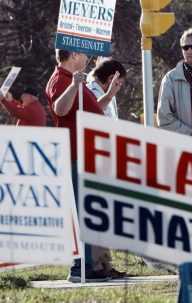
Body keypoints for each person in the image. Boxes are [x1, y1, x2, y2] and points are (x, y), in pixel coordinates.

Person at [45, 49, 124, 282]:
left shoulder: (74, 79)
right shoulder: (62, 79)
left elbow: (92, 109)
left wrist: (108, 95)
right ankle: (81, 267)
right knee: (81, 211)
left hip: (87, 152)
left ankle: (92, 265)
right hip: (76, 153)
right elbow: (60, 109)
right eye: (83, 53)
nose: (87, 58)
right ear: (72, 56)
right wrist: (73, 86)